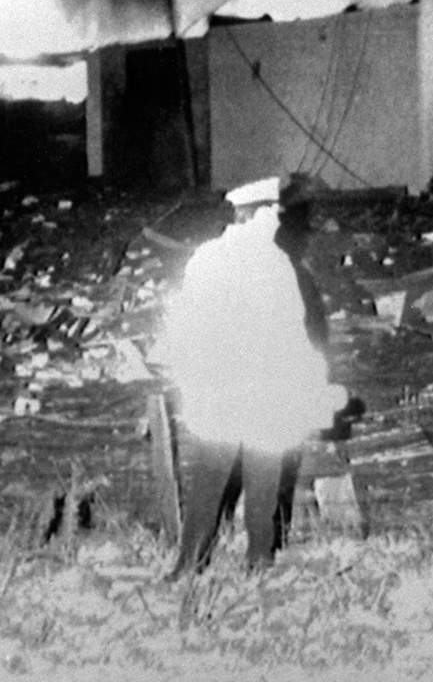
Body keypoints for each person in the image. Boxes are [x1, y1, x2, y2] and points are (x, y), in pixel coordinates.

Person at [155, 175, 346, 577]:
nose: (278, 221)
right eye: (273, 214)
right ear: (256, 216)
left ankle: (187, 567)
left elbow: (186, 324)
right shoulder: (275, 264)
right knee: (263, 477)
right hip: (263, 387)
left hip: (221, 388)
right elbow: (292, 332)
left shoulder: (205, 257)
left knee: (209, 479)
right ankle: (258, 565)